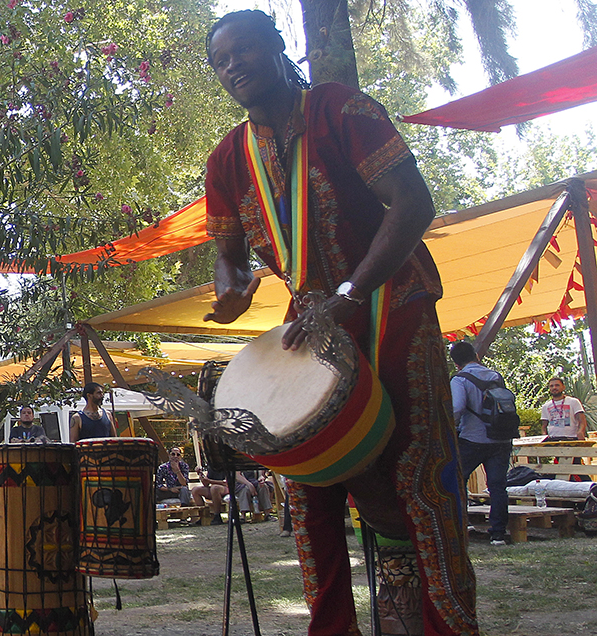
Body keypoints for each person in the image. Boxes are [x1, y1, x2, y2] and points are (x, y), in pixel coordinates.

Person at [204, 10, 477, 635]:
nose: (233, 66)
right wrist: (231, 290)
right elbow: (227, 254)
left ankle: (450, 628)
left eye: (244, 50)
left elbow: (414, 202)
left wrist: (354, 290)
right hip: (312, 328)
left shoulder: (341, 110)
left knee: (418, 477)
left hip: (391, 308)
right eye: (221, 61)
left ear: (278, 48)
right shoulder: (228, 159)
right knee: (307, 491)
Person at [450, 341, 512, 546]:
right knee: (498, 486)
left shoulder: (460, 380)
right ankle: (498, 534)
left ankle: (462, 524)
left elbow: (457, 408)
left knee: (458, 481)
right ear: (476, 355)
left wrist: (450, 426)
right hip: (501, 438)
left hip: (473, 439)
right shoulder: (495, 376)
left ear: (456, 363)